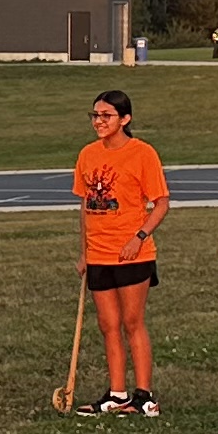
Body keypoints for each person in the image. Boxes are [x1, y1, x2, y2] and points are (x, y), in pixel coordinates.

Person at [71, 86, 170, 416]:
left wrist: (138, 237)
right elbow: (86, 205)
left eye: (106, 115)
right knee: (107, 324)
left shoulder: (143, 153)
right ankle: (116, 392)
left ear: (124, 119)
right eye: (95, 115)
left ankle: (145, 396)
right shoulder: (87, 154)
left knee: (132, 322)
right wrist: (84, 251)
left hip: (132, 254)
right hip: (98, 254)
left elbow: (161, 202)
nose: (98, 121)